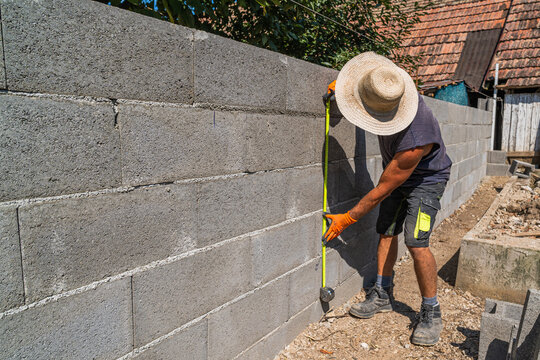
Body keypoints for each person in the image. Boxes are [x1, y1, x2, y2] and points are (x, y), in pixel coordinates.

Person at [323, 52, 452, 346]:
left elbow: (383, 188)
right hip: (397, 174)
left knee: (416, 242)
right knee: (386, 232)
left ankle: (431, 312)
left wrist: (349, 217)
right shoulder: (389, 86)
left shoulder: (416, 138)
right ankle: (382, 294)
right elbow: (372, 87)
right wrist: (344, 94)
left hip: (426, 181)